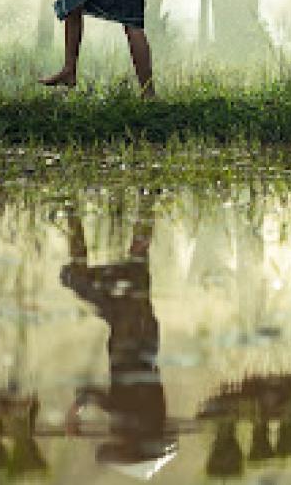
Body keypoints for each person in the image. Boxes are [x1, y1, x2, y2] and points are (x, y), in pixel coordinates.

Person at [59, 196, 178, 479]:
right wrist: (74, 413)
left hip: (142, 335)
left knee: (137, 265)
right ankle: (72, 209)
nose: (116, 441)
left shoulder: (150, 421)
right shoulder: (136, 420)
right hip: (131, 335)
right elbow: (91, 394)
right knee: (76, 277)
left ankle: (147, 199)